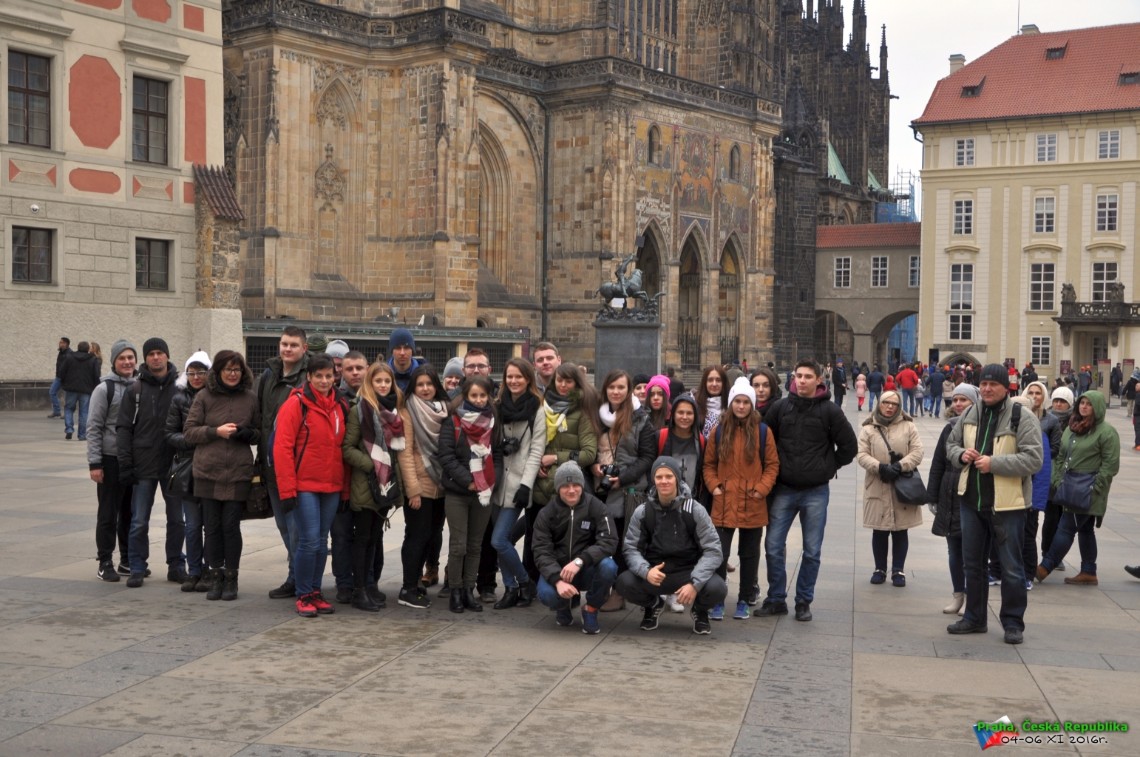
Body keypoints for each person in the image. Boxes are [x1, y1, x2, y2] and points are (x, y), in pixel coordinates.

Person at [947, 364, 1043, 645]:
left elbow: (1034, 459)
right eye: (983, 384)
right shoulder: (970, 413)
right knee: (973, 565)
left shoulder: (1022, 417)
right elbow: (950, 445)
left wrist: (994, 463)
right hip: (972, 501)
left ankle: (1013, 623)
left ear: (1006, 388)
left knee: (1011, 567)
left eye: (993, 384)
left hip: (1007, 505)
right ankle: (975, 618)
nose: (987, 389)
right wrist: (961, 455)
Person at [756, 359, 857, 622]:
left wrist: (827, 467)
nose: (801, 380)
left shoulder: (830, 411)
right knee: (773, 546)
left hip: (815, 491)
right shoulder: (780, 408)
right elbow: (763, 441)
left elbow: (850, 447)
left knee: (812, 550)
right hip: (784, 488)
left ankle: (803, 601)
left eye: (807, 376)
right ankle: (776, 598)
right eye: (798, 375)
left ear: (818, 380)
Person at [274, 355, 350, 618]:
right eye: (319, 376)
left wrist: (345, 489)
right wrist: (287, 491)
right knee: (308, 541)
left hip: (331, 485)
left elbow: (342, 450)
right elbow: (282, 448)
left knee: (320, 541)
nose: (324, 381)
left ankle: (315, 591)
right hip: (304, 484)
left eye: (328, 376)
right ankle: (304, 593)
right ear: (309, 377)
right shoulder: (296, 404)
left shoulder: (340, 405)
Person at [616, 457, 727, 634]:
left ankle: (700, 610)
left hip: (689, 572)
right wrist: (646, 571)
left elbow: (713, 551)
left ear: (677, 479)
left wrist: (695, 583)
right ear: (653, 480)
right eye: (659, 477)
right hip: (656, 573)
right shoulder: (643, 511)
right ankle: (653, 605)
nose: (664, 481)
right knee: (624, 582)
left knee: (717, 588)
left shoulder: (695, 510)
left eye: (669, 476)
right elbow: (631, 549)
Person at [181, 351, 260, 601]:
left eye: (237, 369)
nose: (232, 374)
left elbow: (260, 432)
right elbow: (189, 432)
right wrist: (215, 431)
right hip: (208, 471)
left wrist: (246, 433)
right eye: (228, 369)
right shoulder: (204, 396)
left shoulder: (250, 397)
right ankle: (215, 576)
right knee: (212, 527)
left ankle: (231, 578)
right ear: (218, 371)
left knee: (231, 526)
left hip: (238, 472)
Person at [703, 377, 778, 620]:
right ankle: (717, 599)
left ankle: (745, 598)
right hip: (724, 502)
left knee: (749, 555)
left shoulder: (763, 432)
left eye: (746, 402)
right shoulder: (718, 431)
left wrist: (761, 489)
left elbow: (772, 465)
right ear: (731, 403)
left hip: (751, 501)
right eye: (737, 401)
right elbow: (709, 464)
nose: (742, 406)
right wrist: (714, 487)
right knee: (719, 553)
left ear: (752, 405)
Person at [342, 362, 411, 611]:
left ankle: (369, 586)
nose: (383, 385)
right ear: (369, 383)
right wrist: (372, 464)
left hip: (385, 483)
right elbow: (347, 448)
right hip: (366, 484)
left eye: (387, 381)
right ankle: (358, 590)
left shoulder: (394, 411)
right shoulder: (359, 410)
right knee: (362, 538)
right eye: (378, 381)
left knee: (374, 538)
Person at [118, 337, 185, 588]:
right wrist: (126, 464)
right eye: (151, 354)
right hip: (143, 464)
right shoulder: (135, 390)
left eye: (160, 353)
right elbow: (123, 428)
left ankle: (176, 565)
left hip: (173, 465)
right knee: (139, 521)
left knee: (177, 519)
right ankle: (137, 566)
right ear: (145, 358)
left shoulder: (180, 387)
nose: (156, 357)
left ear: (167, 355)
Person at [1036, 391, 1120, 586]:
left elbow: (1110, 464)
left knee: (1066, 527)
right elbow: (1061, 455)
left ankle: (1045, 567)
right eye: (1082, 403)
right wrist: (1058, 479)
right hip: (1070, 486)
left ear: (1097, 407)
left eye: (1089, 404)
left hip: (1088, 489)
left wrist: (1096, 486)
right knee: (1085, 529)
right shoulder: (1072, 428)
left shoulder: (1106, 432)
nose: (1084, 406)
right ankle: (1089, 570)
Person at [592, 369, 656, 611]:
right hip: (601, 488)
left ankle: (619, 593)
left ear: (629, 391)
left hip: (629, 491)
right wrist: (594, 465)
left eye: (621, 387)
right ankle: (604, 588)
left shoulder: (641, 419)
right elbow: (589, 447)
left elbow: (647, 457)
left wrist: (623, 478)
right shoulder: (597, 416)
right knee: (602, 540)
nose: (616, 392)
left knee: (622, 542)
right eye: (612, 387)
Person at [438, 375, 502, 612]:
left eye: (483, 395)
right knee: (459, 545)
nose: (478, 400)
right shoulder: (453, 421)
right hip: (458, 492)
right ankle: (455, 590)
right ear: (465, 396)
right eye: (474, 395)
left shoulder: (493, 421)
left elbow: (497, 456)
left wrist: (490, 481)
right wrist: (469, 481)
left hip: (484, 493)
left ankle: (468, 589)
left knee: (475, 545)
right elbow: (446, 457)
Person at [532, 462, 618, 633]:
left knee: (609, 567)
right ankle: (563, 605)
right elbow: (541, 551)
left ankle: (591, 609)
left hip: (586, 567)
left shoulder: (596, 506)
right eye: (565, 486)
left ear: (582, 485)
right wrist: (557, 580)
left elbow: (609, 540)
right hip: (559, 569)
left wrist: (580, 561)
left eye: (576, 485)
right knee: (547, 595)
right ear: (558, 488)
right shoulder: (546, 513)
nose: (571, 490)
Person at [258, 325, 310, 599]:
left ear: (304, 348)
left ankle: (298, 579)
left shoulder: (308, 377)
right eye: (284, 344)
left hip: (296, 468)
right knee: (283, 526)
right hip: (271, 466)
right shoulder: (269, 375)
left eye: (293, 345)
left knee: (296, 529)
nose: (287, 349)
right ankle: (296, 574)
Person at [489, 358, 546, 609]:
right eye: (509, 376)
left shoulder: (537, 409)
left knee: (499, 540)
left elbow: (536, 451)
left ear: (528, 379)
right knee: (502, 541)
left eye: (518, 377)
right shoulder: (498, 406)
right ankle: (511, 588)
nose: (513, 381)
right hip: (496, 482)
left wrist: (526, 485)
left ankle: (524, 582)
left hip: (518, 484)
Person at [856, 389, 924, 587]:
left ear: (899, 406)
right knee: (879, 529)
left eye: (894, 404)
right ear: (880, 404)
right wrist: (879, 467)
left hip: (902, 484)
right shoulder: (868, 428)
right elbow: (861, 454)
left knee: (900, 530)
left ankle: (898, 570)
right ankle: (879, 569)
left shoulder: (909, 426)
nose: (889, 407)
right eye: (886, 402)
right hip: (877, 484)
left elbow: (917, 451)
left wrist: (900, 466)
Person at [87, 340, 137, 581]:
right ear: (114, 361)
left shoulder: (140, 385)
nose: (127, 362)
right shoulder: (103, 389)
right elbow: (94, 426)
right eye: (122, 358)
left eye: (130, 357)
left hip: (134, 460)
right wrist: (95, 464)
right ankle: (105, 560)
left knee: (130, 512)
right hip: (110, 459)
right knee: (108, 513)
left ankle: (127, 560)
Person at [926, 383, 979, 614]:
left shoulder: (981, 427)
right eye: (956, 399)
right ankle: (958, 595)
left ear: (974, 403)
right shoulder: (949, 428)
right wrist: (932, 496)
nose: (958, 404)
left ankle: (971, 598)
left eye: (963, 400)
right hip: (949, 493)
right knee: (954, 550)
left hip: (970, 494)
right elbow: (938, 463)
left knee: (971, 552)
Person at [164, 351, 213, 592]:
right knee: (192, 525)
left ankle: (210, 569)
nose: (196, 377)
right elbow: (169, 433)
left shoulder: (216, 397)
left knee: (211, 525)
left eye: (201, 372)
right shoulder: (179, 399)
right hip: (187, 468)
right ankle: (194, 571)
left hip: (212, 467)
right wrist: (192, 440)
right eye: (191, 373)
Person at [403, 367, 448, 605]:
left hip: (442, 484)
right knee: (416, 536)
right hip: (420, 484)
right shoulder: (408, 409)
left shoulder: (444, 409)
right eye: (420, 384)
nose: (425, 388)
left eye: (429, 384)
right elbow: (406, 453)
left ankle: (419, 581)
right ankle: (408, 587)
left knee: (432, 533)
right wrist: (413, 490)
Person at [1020, 381, 1062, 590]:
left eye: (1038, 393)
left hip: (1038, 476)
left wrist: (1035, 454)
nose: (1034, 396)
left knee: (1030, 528)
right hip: (1018, 477)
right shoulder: (1017, 415)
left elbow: (1055, 448)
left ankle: (1029, 572)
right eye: (1031, 392)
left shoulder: (1050, 420)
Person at [60, 341, 101, 441]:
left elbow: (62, 371)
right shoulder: (93, 359)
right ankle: (82, 435)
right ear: (88, 349)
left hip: (71, 388)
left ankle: (69, 429)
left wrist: (64, 383)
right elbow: (96, 375)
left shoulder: (69, 357)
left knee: (69, 408)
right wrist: (96, 387)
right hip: (86, 389)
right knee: (84, 411)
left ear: (78, 347)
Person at [694, 366, 729, 437]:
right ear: (705, 383)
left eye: (718, 380)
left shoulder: (731, 406)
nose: (714, 384)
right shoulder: (694, 405)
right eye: (710, 380)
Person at [386, 327, 423, 394]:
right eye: (398, 348)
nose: (402, 353)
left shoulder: (423, 375)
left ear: (412, 350)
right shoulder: (382, 375)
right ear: (392, 351)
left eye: (406, 348)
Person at [49, 337, 71, 418]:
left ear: (66, 344)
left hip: (66, 378)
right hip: (59, 377)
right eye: (60, 342)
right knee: (52, 392)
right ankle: (57, 411)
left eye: (61, 342)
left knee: (67, 397)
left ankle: (67, 413)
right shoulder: (61, 352)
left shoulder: (69, 353)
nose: (60, 344)